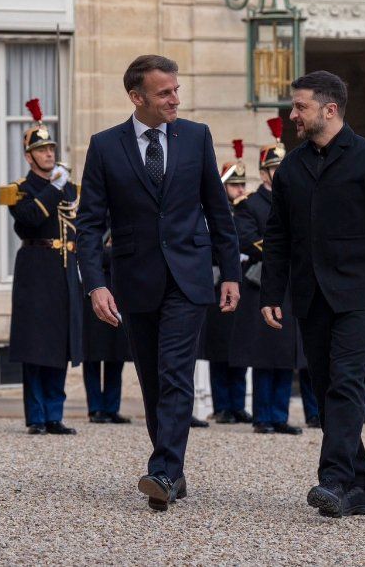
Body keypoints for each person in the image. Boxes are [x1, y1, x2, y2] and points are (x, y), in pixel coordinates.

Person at [77, 55, 241, 512]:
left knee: (175, 373)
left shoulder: (197, 137)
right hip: (135, 278)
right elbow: (89, 224)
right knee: (152, 379)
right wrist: (96, 284)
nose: (175, 99)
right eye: (164, 92)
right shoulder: (105, 146)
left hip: (189, 276)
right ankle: (174, 472)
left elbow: (218, 210)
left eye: (176, 90)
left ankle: (163, 470)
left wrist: (230, 273)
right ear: (137, 97)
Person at [260, 70, 365, 518]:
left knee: (346, 382)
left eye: (300, 106)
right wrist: (271, 292)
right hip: (311, 296)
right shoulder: (291, 167)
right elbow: (278, 236)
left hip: (359, 297)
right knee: (327, 388)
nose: (293, 114)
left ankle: (334, 480)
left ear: (329, 109)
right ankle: (359, 486)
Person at [0, 98, 81, 435]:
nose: (49, 154)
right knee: (35, 345)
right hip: (35, 269)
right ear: (29, 156)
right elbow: (29, 220)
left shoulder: (71, 187)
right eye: (41, 150)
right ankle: (36, 415)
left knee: (59, 344)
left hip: (63, 269)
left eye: (50, 149)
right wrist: (53, 188)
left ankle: (54, 414)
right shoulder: (17, 190)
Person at [232, 119, 303, 436]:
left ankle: (280, 414)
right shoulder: (250, 204)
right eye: (276, 168)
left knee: (286, 352)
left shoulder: (295, 200)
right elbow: (248, 240)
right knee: (265, 352)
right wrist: (284, 248)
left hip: (289, 282)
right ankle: (263, 415)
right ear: (264, 173)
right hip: (262, 282)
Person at [199, 140, 249, 426]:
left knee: (239, 347)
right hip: (218, 282)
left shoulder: (245, 211)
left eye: (242, 185)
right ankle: (222, 405)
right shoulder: (214, 212)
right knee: (219, 349)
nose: (240, 190)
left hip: (239, 282)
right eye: (234, 185)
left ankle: (238, 404)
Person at [82, 233, 132, 424]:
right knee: (92, 357)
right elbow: (89, 257)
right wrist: (109, 252)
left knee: (116, 356)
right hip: (93, 296)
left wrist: (108, 253)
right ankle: (95, 408)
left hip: (118, 294)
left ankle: (112, 407)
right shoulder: (92, 228)